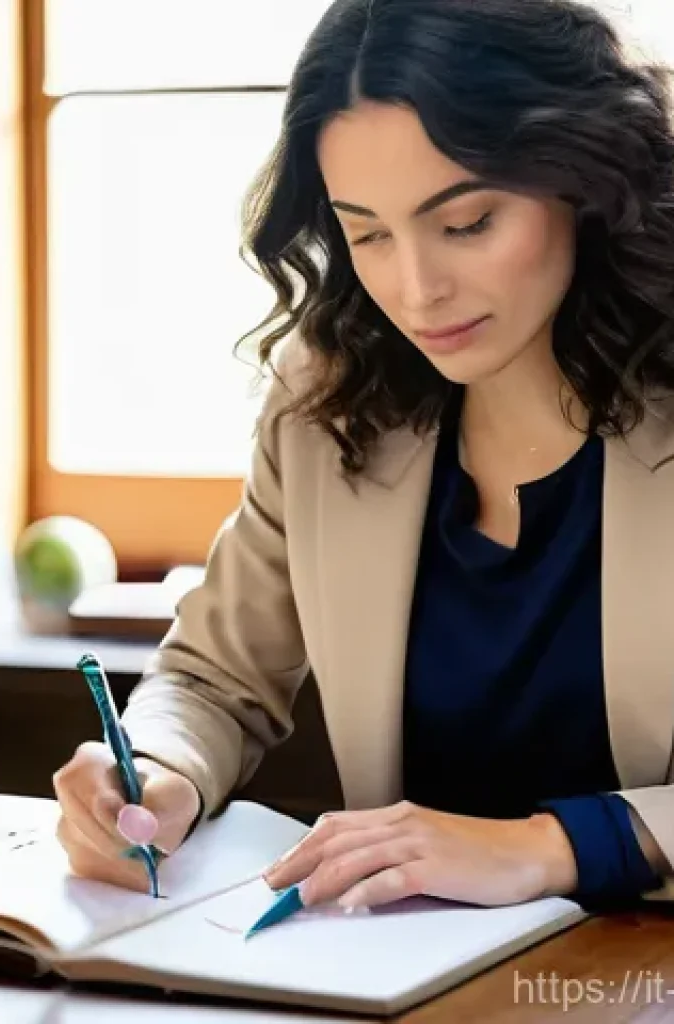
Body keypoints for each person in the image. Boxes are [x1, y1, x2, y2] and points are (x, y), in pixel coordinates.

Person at [52, 0, 674, 913]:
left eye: (467, 222)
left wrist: (546, 848)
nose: (416, 290)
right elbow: (213, 679)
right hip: (411, 968)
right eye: (368, 233)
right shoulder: (329, 401)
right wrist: (153, 767)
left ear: (584, 178)